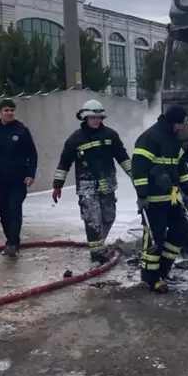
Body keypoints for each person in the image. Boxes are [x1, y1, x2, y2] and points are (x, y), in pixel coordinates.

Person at [51, 99, 132, 262]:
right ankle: (96, 254)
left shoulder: (110, 135)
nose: (96, 120)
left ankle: (99, 245)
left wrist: (134, 175)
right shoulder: (75, 139)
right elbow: (64, 163)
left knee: (109, 217)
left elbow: (123, 157)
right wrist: (57, 186)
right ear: (85, 118)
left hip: (107, 185)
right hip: (86, 187)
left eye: (99, 118)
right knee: (92, 219)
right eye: (93, 118)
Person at [132, 104, 188, 293]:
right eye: (181, 124)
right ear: (172, 121)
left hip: (171, 198)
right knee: (154, 238)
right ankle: (151, 279)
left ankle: (164, 270)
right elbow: (139, 167)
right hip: (152, 200)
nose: (183, 128)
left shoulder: (174, 140)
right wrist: (142, 195)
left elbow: (180, 166)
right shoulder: (150, 138)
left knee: (181, 229)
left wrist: (187, 188)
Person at [0, 97, 37, 258]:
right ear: (0, 112)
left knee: (14, 210)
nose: (9, 113)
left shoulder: (21, 131)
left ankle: (12, 244)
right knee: (4, 213)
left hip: (17, 179)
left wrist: (30, 173)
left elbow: (32, 154)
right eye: (6, 110)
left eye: (12, 110)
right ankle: (12, 240)